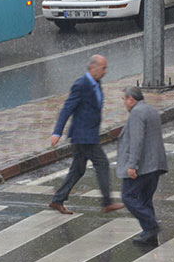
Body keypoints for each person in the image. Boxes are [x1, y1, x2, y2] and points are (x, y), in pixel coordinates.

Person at [49, 55, 124, 215]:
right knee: (102, 163)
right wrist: (57, 131)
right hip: (83, 135)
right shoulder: (81, 84)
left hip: (89, 133)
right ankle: (106, 202)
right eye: (103, 68)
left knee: (78, 169)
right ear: (93, 68)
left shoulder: (96, 83)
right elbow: (67, 108)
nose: (105, 72)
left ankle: (57, 200)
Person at [117, 86, 169, 246]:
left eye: (124, 100)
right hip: (155, 164)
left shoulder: (137, 113)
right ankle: (149, 234)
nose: (124, 103)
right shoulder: (151, 110)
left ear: (131, 100)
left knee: (128, 196)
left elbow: (137, 140)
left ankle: (151, 226)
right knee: (145, 200)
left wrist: (132, 165)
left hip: (143, 166)